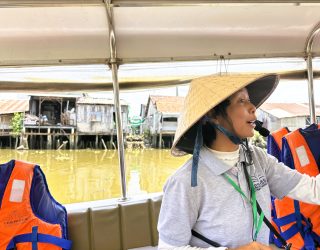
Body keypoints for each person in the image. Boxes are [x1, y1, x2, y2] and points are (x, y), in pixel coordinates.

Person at [157, 73, 320, 250]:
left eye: (250, 100)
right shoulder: (185, 181)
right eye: (241, 101)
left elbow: (312, 189)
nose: (253, 108)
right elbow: (168, 247)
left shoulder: (259, 159)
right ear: (213, 115)